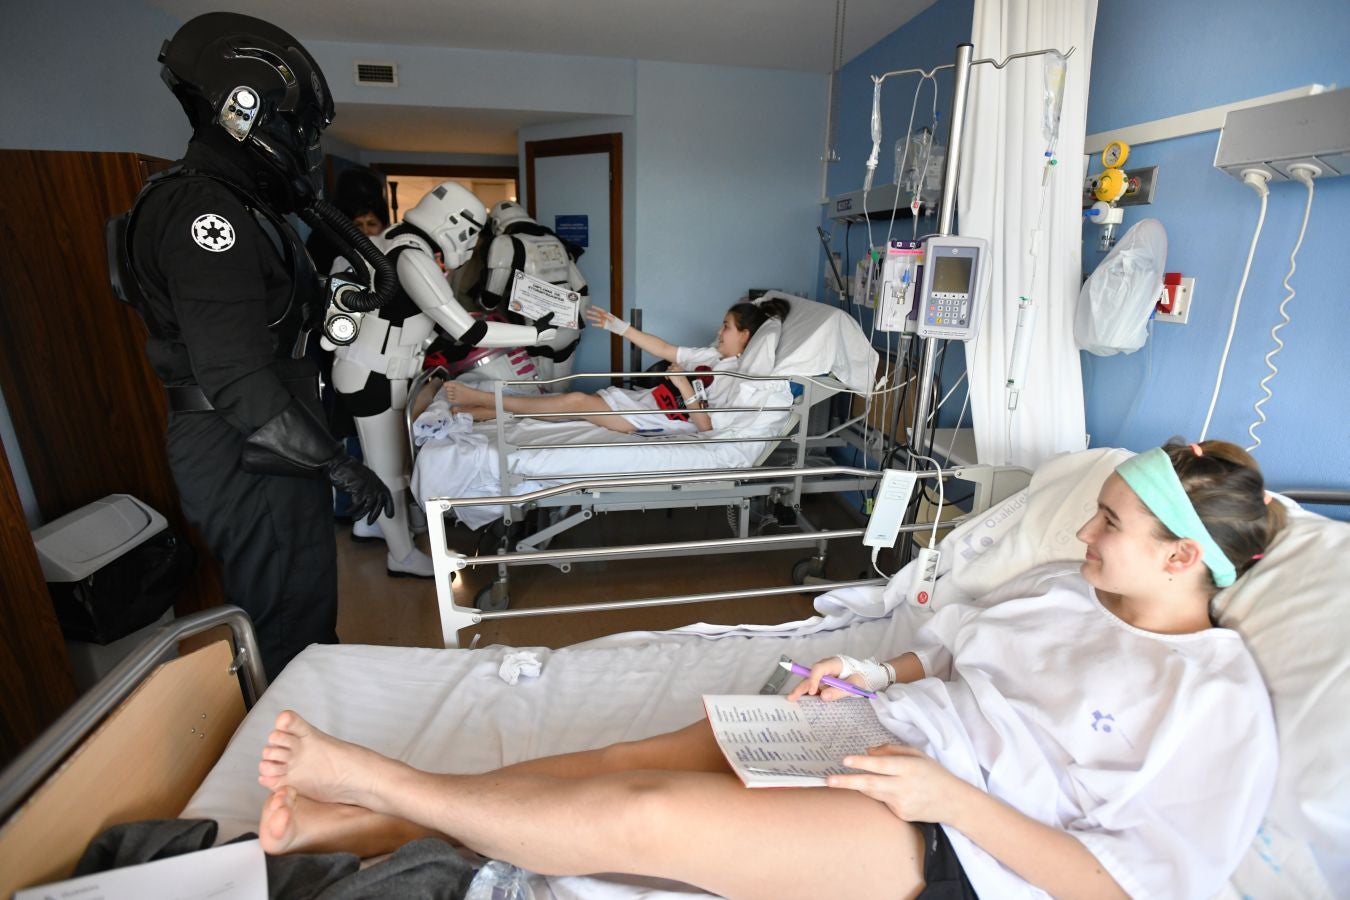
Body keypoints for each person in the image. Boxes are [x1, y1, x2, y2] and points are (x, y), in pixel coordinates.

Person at [254, 440, 1284, 898]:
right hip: (887, 741)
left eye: (1109, 521)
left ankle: (373, 781)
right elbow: (946, 652)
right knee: (617, 757)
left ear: (1184, 556)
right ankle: (353, 826)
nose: (1082, 530)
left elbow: (1121, 889)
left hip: (954, 842)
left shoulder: (1216, 699)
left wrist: (949, 801)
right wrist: (877, 680)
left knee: (646, 816)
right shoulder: (1064, 589)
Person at [110, 12, 396, 678]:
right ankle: (287, 764)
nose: (304, 148)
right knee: (287, 622)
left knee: (302, 611)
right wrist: (338, 463)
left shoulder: (237, 207)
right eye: (297, 130)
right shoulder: (206, 214)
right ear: (245, 110)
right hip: (247, 439)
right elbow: (235, 372)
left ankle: (308, 741)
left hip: (260, 435)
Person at [329, 183, 558, 577]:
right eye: (470, 234)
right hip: (376, 374)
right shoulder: (411, 256)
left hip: (385, 370)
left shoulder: (392, 242)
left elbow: (418, 321)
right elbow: (469, 331)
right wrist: (535, 335)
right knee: (387, 470)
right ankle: (400, 556)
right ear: (453, 222)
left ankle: (375, 525)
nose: (470, 245)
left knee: (390, 462)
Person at [445, 298, 790, 435]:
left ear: (746, 336)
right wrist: (620, 327)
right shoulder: (713, 357)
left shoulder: (739, 380)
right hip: (646, 403)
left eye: (727, 327)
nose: (719, 332)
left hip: (657, 421)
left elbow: (706, 426)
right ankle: (485, 412)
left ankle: (487, 400)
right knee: (575, 406)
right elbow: (666, 348)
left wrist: (684, 387)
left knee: (575, 403)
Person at [477, 200, 591, 389]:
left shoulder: (504, 243)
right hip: (569, 326)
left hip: (534, 329)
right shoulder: (554, 240)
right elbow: (582, 288)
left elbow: (490, 298)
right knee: (561, 389)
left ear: (497, 223)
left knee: (539, 395)